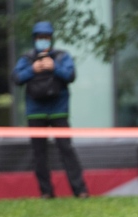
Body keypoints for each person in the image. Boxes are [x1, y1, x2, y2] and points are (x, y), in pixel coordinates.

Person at [11, 21, 89, 199]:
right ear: (34, 39)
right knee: (39, 154)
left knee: (66, 150)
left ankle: (80, 191)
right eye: (40, 38)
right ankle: (46, 192)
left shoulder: (62, 57)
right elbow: (16, 78)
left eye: (46, 38)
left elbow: (70, 75)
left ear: (51, 39)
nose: (43, 41)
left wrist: (54, 67)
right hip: (35, 111)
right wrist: (33, 69)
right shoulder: (27, 58)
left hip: (59, 110)